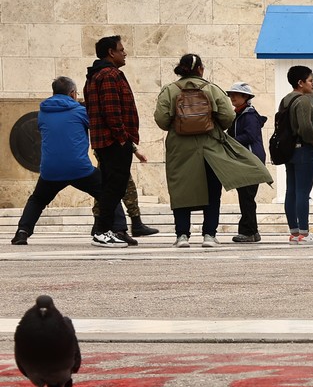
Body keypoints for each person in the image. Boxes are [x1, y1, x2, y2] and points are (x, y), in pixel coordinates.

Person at [152, 53, 272, 248]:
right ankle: (209, 234)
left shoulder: (169, 91)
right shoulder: (212, 89)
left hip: (179, 148)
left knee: (181, 190)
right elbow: (227, 117)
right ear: (200, 69)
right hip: (210, 147)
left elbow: (161, 120)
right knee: (212, 191)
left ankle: (182, 235)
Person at [11, 78, 102, 245]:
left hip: (50, 170)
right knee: (107, 192)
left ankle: (22, 232)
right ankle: (117, 229)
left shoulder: (43, 112)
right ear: (73, 93)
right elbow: (97, 126)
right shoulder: (80, 111)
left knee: (37, 200)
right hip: (79, 168)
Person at [83, 34, 146, 246]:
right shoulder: (109, 74)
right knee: (114, 186)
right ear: (111, 52)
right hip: (113, 142)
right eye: (121, 49)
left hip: (105, 141)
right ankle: (102, 231)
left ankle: (109, 230)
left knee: (113, 186)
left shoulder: (95, 75)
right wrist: (123, 139)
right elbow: (112, 111)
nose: (124, 52)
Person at [277, 65, 313, 243]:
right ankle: (304, 232)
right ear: (300, 83)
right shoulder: (303, 101)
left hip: (289, 150)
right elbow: (305, 127)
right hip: (304, 149)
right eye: (310, 81)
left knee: (291, 190)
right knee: (303, 191)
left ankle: (294, 231)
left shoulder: (285, 100)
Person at [224, 82, 265, 244]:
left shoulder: (248, 115)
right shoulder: (241, 115)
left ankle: (248, 231)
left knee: (247, 197)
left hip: (250, 161)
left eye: (236, 94)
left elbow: (249, 136)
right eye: (231, 94)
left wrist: (229, 141)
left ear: (245, 97)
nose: (232, 97)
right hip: (246, 161)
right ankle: (252, 231)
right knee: (246, 196)